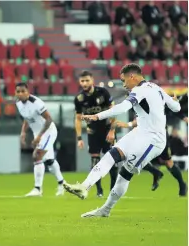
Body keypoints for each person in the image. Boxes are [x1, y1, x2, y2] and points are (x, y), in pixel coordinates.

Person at [63, 63, 181, 218]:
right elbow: (176, 108)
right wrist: (173, 100)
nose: (124, 84)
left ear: (132, 76)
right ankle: (85, 186)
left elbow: (123, 108)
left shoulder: (139, 91)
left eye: (124, 80)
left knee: (125, 173)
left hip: (153, 140)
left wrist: (97, 116)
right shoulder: (156, 87)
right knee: (111, 155)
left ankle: (105, 210)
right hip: (139, 133)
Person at [74, 70, 118, 197]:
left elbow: (113, 111)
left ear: (92, 80)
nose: (85, 83)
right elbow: (77, 119)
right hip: (92, 133)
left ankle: (113, 190)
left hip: (107, 131)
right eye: (82, 81)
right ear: (79, 82)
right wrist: (79, 138)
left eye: (87, 80)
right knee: (95, 161)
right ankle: (99, 191)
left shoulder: (103, 92)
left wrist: (112, 130)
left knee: (112, 160)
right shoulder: (79, 99)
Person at [15, 82, 65, 197]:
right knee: (49, 160)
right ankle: (62, 184)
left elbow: (49, 119)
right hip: (37, 133)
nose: (21, 94)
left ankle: (38, 189)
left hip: (48, 131)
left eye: (23, 91)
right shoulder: (18, 103)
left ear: (28, 92)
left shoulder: (36, 103)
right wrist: (23, 132)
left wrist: (39, 136)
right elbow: (26, 118)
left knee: (37, 156)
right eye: (18, 91)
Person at [116, 119, 187, 196]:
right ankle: (155, 172)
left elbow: (143, 119)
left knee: (168, 162)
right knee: (136, 157)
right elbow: (139, 119)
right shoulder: (139, 108)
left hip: (160, 134)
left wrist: (128, 125)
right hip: (147, 134)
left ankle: (182, 184)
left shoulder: (155, 109)